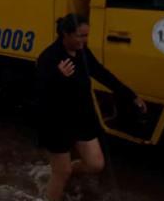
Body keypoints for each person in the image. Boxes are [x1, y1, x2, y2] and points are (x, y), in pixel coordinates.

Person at [36, 14, 147, 201]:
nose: (84, 40)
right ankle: (58, 177)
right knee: (61, 173)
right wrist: (58, 77)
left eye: (86, 35)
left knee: (96, 164)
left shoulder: (83, 52)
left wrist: (131, 95)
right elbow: (41, 92)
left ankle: (66, 169)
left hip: (81, 118)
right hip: (56, 121)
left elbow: (102, 74)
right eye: (80, 36)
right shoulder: (49, 57)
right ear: (66, 34)